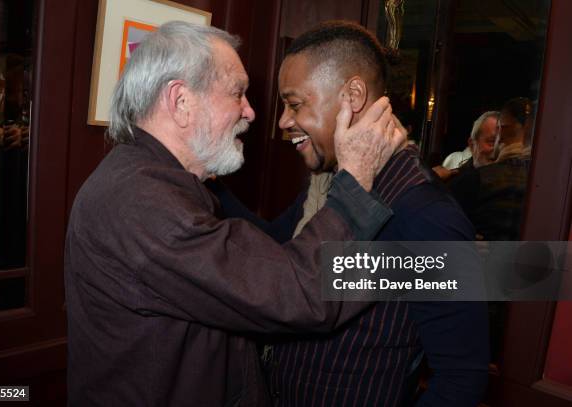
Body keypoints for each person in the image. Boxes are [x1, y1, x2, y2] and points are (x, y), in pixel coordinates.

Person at [64, 21, 405, 406]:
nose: (253, 112)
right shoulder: (140, 203)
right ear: (180, 102)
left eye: (294, 104)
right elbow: (295, 290)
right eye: (237, 93)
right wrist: (356, 180)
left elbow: (265, 253)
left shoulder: (160, 183)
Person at [212, 21, 489, 406]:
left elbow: (461, 379)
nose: (283, 121)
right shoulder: (331, 185)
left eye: (294, 104)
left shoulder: (427, 216)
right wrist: (205, 179)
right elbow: (276, 250)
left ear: (352, 96)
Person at [449, 98, 533, 241]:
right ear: (471, 144)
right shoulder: (459, 178)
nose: (494, 149)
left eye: (497, 140)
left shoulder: (534, 181)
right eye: (490, 141)